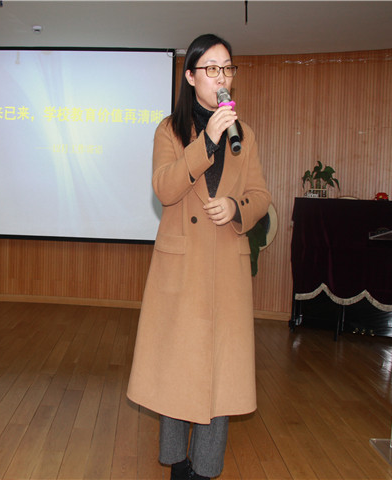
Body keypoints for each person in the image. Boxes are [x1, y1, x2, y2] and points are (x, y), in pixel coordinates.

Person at [126, 33, 271, 480]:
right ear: (191, 76)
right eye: (211, 68)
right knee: (177, 366)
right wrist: (206, 141)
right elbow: (165, 188)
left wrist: (236, 208)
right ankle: (177, 463)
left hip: (225, 264)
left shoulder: (244, 135)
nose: (221, 77)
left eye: (227, 68)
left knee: (221, 374)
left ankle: (205, 469)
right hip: (182, 266)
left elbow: (260, 195)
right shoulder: (169, 130)